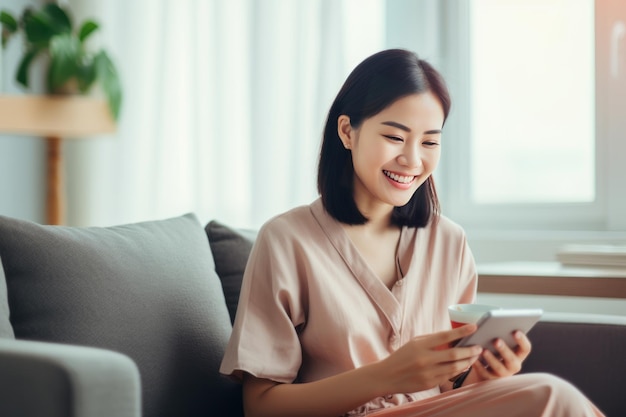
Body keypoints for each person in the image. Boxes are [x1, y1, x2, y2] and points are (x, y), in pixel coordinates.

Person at [220, 49, 605, 417]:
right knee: (552, 396)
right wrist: (386, 376)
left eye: (430, 141)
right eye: (394, 136)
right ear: (347, 132)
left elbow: (452, 394)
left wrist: (485, 374)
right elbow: (260, 406)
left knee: (549, 401)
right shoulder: (287, 241)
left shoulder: (449, 243)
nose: (413, 159)